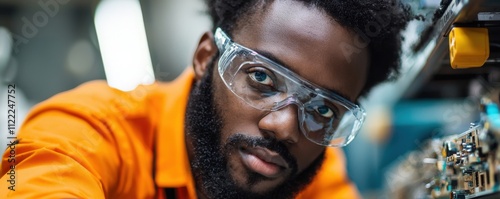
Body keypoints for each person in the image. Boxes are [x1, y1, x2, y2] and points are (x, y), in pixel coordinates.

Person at [1, 0, 411, 198]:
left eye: (323, 109)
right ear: (204, 58)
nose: (285, 126)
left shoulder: (319, 178)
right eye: (262, 78)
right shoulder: (90, 129)